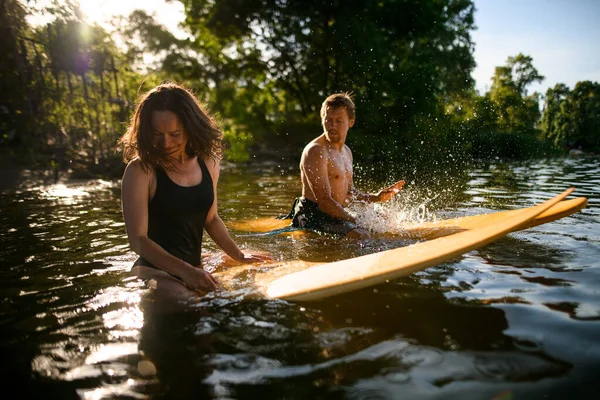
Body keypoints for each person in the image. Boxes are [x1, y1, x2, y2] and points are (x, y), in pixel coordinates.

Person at [118, 82, 270, 299]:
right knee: (191, 302)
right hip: (151, 273)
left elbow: (212, 219)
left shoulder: (208, 162)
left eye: (175, 134)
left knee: (263, 261)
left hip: (193, 266)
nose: (165, 143)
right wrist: (188, 272)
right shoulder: (140, 170)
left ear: (190, 128)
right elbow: (138, 240)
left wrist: (239, 255)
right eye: (156, 134)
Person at [284, 93, 404, 239]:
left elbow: (349, 193)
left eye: (339, 121)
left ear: (351, 122)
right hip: (313, 214)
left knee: (384, 219)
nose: (332, 126)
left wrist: (376, 198)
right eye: (328, 120)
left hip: (333, 212)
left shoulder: (346, 151)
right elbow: (324, 201)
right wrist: (358, 222)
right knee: (362, 235)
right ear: (322, 120)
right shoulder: (316, 151)